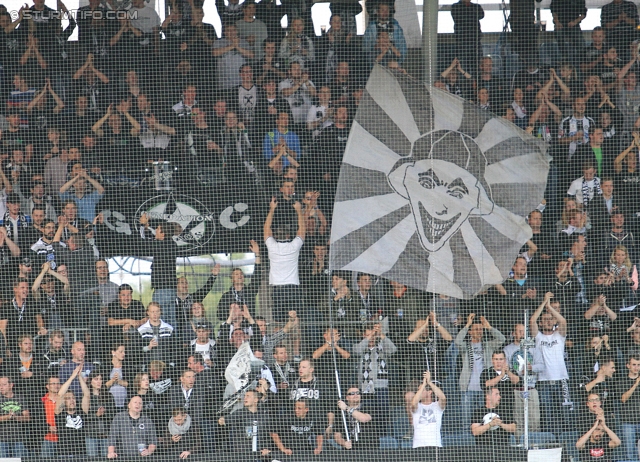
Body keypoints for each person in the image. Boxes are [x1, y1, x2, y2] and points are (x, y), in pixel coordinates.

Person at [454, 313, 506, 430]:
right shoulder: (465, 347)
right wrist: (467, 325)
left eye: (481, 329)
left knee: (483, 418)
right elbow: (457, 341)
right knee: (466, 420)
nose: (479, 331)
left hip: (485, 389)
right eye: (476, 329)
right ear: (470, 332)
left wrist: (489, 327)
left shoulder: (488, 345)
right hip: (468, 389)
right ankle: (467, 442)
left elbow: (502, 339)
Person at [531, 292, 573, 436]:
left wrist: (550, 307)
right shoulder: (538, 337)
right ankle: (551, 440)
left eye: (551, 319)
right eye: (545, 320)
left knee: (564, 412)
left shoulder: (559, 336)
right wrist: (544, 303)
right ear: (541, 323)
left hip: (561, 379)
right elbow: (532, 321)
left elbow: (563, 322)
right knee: (547, 413)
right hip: (543, 381)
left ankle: (564, 439)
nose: (548, 321)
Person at [264, 196, 306, 323]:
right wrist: (298, 210)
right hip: (292, 287)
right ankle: (295, 343)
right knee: (295, 320)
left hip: (278, 289)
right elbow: (302, 231)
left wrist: (272, 209)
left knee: (278, 322)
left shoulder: (272, 246)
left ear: (275, 235)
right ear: (288, 235)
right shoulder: (293, 246)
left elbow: (266, 229)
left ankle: (278, 343)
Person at [139, 212, 179, 330]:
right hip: (171, 290)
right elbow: (150, 238)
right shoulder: (172, 244)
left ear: (162, 234)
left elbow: (143, 241)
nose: (155, 231)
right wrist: (147, 225)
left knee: (160, 321)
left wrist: (143, 225)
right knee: (171, 321)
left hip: (161, 290)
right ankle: (174, 344)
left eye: (158, 229)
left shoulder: (160, 245)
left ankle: (162, 345)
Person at [218, 389, 272, 457]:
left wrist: (267, 449)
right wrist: (222, 420)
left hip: (260, 454)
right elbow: (225, 420)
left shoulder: (263, 416)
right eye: (245, 396)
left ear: (255, 400)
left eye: (248, 396)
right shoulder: (240, 413)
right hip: (243, 454)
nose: (245, 398)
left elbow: (268, 435)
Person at [54, 363, 91, 457]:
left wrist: (79, 377)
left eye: (73, 398)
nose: (71, 401)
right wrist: (73, 376)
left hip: (81, 454)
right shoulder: (60, 414)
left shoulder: (81, 412)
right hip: (63, 454)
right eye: (68, 398)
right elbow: (60, 395)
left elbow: (86, 395)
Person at [471, 387, 517, 458]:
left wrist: (500, 424)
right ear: (488, 396)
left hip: (503, 450)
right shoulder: (478, 412)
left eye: (499, 394)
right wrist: (490, 424)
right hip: (483, 450)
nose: (499, 396)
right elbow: (475, 431)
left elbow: (513, 428)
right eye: (496, 394)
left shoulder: (505, 411)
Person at [410, 370, 446, 452]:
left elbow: (443, 398)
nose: (418, 393)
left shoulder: (437, 406)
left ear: (430, 392)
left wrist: (429, 382)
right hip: (418, 446)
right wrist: (423, 385)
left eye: (421, 391)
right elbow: (413, 403)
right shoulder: (417, 406)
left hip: (435, 445)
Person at [0, 375, 30, 458]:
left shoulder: (20, 398)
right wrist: (8, 417)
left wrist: (15, 417)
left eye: (4, 385)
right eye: (0, 385)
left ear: (11, 385)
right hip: (1, 439)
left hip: (18, 438)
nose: (1, 387)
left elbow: (27, 417)